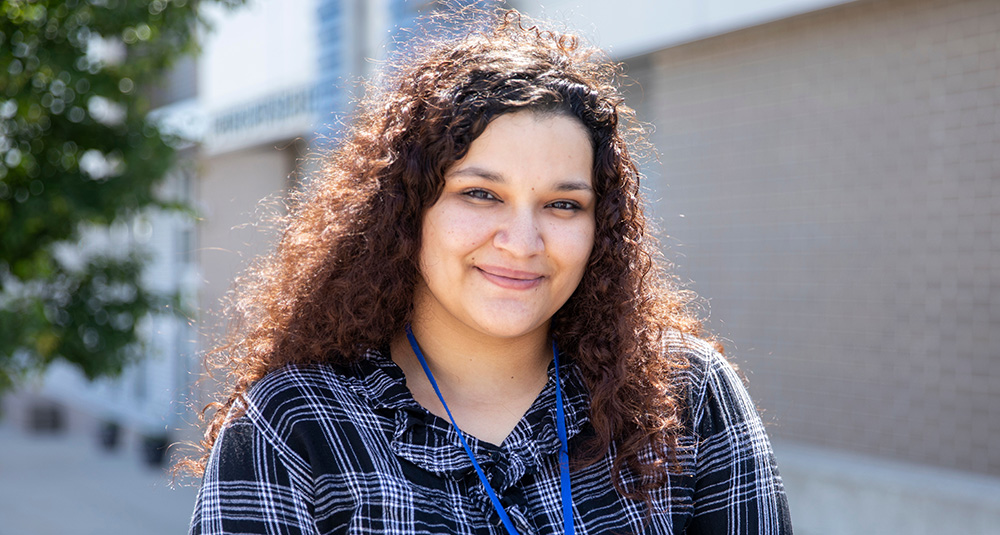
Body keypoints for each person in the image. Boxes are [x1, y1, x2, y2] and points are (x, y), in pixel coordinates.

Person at [185, 9, 792, 535]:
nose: (523, 242)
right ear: (405, 210)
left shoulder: (685, 397)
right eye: (481, 194)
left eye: (563, 205)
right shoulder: (292, 430)